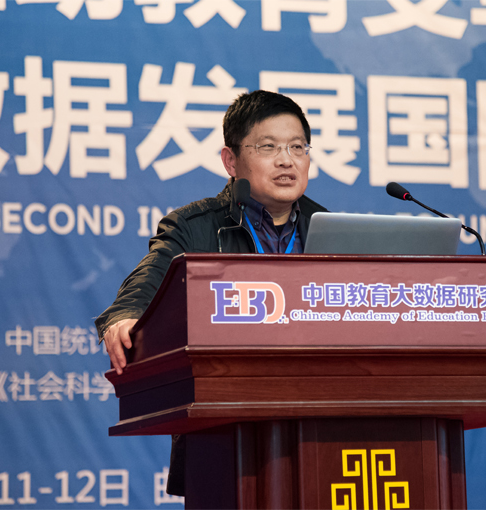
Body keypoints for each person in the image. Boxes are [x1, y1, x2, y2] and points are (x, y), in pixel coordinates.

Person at [93, 89, 327, 497]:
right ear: (230, 161)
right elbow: (148, 281)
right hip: (224, 436)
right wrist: (124, 317)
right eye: (268, 147)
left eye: (297, 147)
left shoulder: (330, 230)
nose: (286, 160)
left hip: (323, 429)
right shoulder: (196, 227)